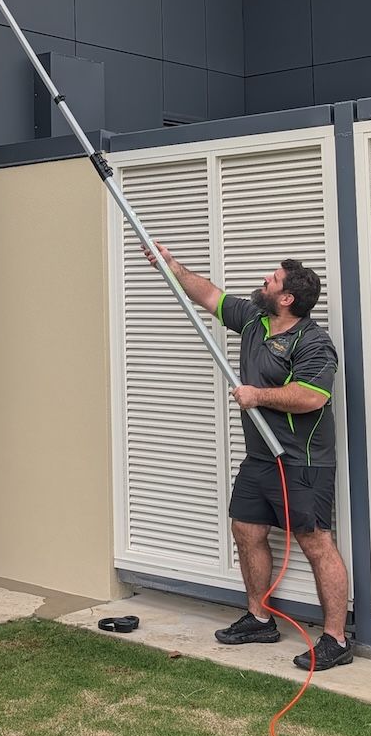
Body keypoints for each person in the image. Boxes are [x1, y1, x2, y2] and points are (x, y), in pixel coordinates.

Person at [144, 245, 353, 671]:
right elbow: (209, 295)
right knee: (247, 529)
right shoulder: (256, 322)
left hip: (302, 461)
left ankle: (335, 638)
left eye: (271, 280)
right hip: (260, 458)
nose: (263, 282)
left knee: (316, 544)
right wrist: (170, 263)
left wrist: (257, 395)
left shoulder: (313, 342)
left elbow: (312, 397)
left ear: (287, 299)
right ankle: (259, 619)